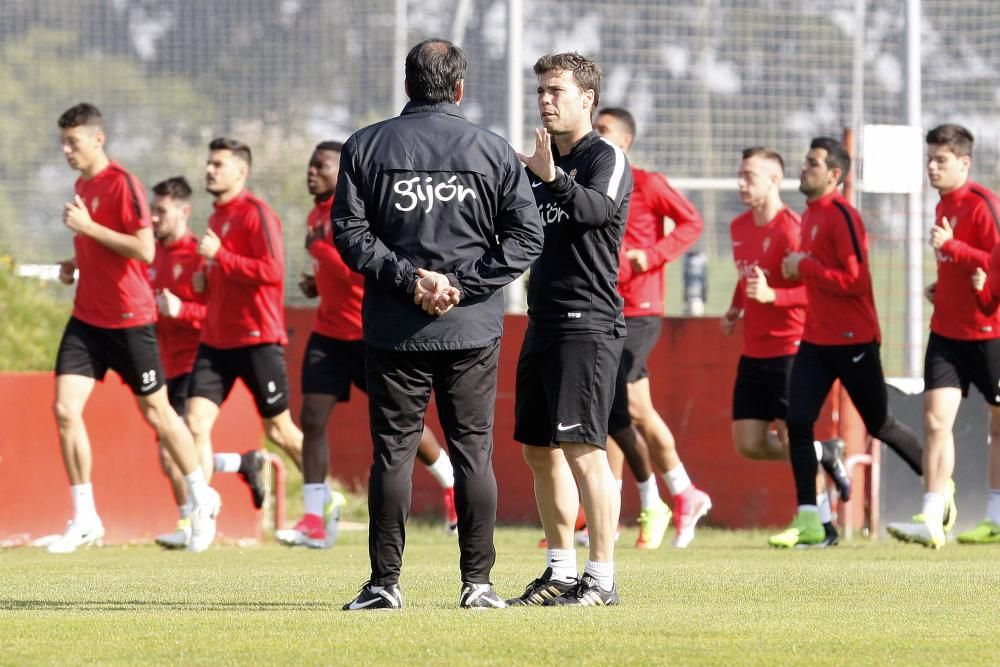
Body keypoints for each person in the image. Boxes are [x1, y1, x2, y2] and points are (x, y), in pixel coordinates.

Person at [333, 38, 544, 610]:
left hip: (395, 328)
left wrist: (412, 281)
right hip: (471, 329)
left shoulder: (365, 145)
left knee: (394, 453)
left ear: (408, 86)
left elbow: (350, 238)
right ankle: (478, 586)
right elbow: (527, 237)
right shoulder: (494, 151)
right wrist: (463, 286)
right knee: (474, 452)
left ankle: (385, 585)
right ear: (459, 89)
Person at [49, 103, 220, 554]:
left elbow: (144, 250)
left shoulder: (123, 183)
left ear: (97, 139)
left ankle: (202, 493)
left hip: (129, 320)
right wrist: (74, 261)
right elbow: (102, 248)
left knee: (160, 416)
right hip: (87, 318)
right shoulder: (82, 184)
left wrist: (87, 226)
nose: (66, 150)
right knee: (65, 411)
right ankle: (85, 516)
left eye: (74, 141)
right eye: (63, 142)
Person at [276, 142, 459, 549]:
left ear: (340, 172)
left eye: (321, 166)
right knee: (311, 419)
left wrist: (321, 251)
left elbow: (364, 270)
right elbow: (334, 274)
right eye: (311, 164)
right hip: (328, 334)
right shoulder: (314, 213)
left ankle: (452, 486)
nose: (312, 172)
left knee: (401, 422)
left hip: (366, 334)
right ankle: (314, 518)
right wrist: (315, 281)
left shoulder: (356, 212)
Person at [508, 53, 630, 607]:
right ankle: (560, 571)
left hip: (590, 323)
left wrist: (549, 177)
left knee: (584, 448)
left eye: (556, 90)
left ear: (587, 98)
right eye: (541, 91)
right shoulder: (536, 164)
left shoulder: (606, 156)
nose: (545, 100)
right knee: (539, 450)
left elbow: (596, 212)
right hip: (543, 321)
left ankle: (601, 580)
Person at [768, 137, 925, 548]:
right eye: (806, 161)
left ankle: (939, 488)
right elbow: (820, 274)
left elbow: (856, 282)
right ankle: (813, 522)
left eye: (813, 163)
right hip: (816, 340)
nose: (804, 168)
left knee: (880, 424)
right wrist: (801, 269)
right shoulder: (811, 214)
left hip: (854, 340)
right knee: (797, 423)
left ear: (835, 175)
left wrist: (806, 266)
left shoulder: (842, 215)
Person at [593, 106, 711, 549]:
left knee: (615, 406)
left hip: (640, 309)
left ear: (624, 140)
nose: (597, 136)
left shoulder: (649, 183)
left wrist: (654, 254)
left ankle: (658, 499)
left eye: (604, 130)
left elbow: (692, 222)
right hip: (604, 306)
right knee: (630, 412)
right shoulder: (594, 183)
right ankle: (677, 495)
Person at [721, 146, 848, 547]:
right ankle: (823, 452)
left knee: (793, 438)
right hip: (753, 350)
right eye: (740, 175)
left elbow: (816, 292)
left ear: (774, 180)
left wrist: (774, 297)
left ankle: (822, 526)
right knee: (750, 444)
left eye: (750, 177)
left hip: (792, 349)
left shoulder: (793, 228)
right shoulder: (738, 226)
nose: (742, 183)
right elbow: (748, 278)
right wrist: (735, 307)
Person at [888, 124, 998, 548]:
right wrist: (944, 287)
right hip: (947, 332)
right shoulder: (940, 207)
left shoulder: (985, 204)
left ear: (964, 163)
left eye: (941, 160)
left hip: (991, 331)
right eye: (929, 159)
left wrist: (953, 248)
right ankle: (933, 512)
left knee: (998, 425)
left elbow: (994, 260)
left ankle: (995, 514)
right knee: (935, 421)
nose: (932, 168)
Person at [146, 177, 265, 549]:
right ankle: (241, 465)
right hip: (162, 363)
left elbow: (214, 312)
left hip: (194, 360)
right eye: (151, 210)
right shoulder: (151, 254)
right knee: (171, 452)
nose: (152, 218)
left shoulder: (198, 254)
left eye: (160, 211)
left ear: (183, 211)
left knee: (172, 449)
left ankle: (195, 519)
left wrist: (182, 310)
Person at [184, 138, 303, 506]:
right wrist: (204, 282)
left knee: (280, 431)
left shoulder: (258, 213)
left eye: (218, 164)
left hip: (257, 338)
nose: (209, 169)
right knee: (195, 424)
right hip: (216, 340)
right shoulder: (217, 216)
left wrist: (222, 256)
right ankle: (201, 514)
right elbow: (226, 276)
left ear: (241, 171)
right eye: (208, 163)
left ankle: (322, 497)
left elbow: (272, 271)